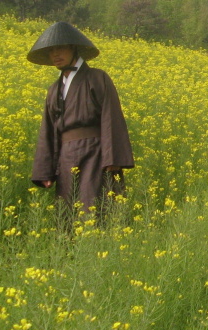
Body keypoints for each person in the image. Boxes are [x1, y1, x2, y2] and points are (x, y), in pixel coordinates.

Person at [28, 22, 134, 216]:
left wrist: (113, 158)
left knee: (95, 206)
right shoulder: (54, 89)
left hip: (96, 154)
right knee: (68, 212)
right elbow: (49, 130)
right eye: (51, 50)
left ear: (74, 48)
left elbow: (112, 117)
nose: (55, 54)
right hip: (66, 157)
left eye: (60, 48)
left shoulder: (97, 78)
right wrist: (45, 170)